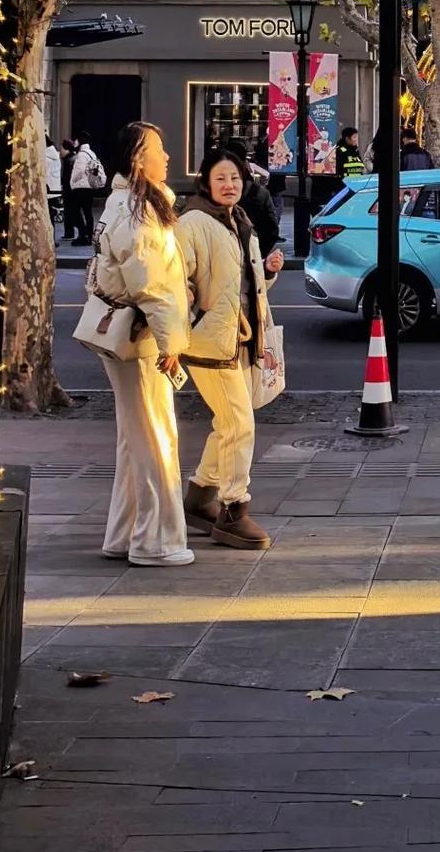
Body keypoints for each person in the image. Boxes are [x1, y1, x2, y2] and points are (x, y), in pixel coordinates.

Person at [88, 121, 193, 566]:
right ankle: (156, 541)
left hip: (128, 332)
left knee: (135, 436)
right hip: (144, 335)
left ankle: (125, 533)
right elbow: (153, 284)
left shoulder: (122, 204)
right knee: (155, 436)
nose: (167, 157)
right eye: (159, 149)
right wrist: (171, 342)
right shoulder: (138, 211)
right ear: (138, 159)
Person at [176, 147, 283, 550]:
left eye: (236, 178)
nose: (229, 185)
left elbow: (243, 286)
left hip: (239, 336)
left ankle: (200, 495)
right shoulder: (193, 224)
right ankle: (233, 507)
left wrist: (267, 273)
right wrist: (186, 321)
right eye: (221, 178)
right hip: (210, 342)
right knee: (240, 425)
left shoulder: (240, 221)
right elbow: (178, 282)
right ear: (205, 181)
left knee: (228, 423)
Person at [223, 138, 281, 256]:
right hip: (251, 253)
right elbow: (272, 229)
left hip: (227, 254)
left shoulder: (215, 191)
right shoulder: (259, 193)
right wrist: (258, 255)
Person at [69, 133, 106, 245]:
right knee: (88, 212)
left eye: (75, 140)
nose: (74, 142)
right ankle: (89, 235)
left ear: (79, 141)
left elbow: (79, 171)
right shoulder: (91, 153)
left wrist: (72, 181)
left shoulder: (82, 155)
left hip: (80, 187)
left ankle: (83, 234)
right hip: (89, 187)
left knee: (74, 211)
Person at [60, 137, 78, 243]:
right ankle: (69, 232)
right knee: (71, 212)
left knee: (70, 212)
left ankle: (70, 232)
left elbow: (67, 177)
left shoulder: (69, 160)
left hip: (69, 190)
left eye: (62, 148)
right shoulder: (71, 159)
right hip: (70, 189)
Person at [44, 135, 62, 232]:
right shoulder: (55, 156)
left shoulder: (45, 158)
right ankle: (52, 239)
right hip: (55, 190)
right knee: (51, 216)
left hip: (48, 191)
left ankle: (50, 239)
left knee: (47, 217)